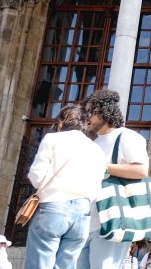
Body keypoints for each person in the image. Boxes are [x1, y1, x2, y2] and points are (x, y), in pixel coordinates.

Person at [24, 104, 107, 269]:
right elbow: (97, 186)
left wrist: (48, 187)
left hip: (54, 206)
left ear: (62, 122)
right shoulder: (96, 149)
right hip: (82, 212)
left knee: (40, 263)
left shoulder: (53, 139)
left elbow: (37, 175)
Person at [80, 89, 151, 269]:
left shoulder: (127, 137)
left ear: (106, 111)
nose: (86, 117)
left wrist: (103, 167)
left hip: (111, 220)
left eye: (91, 112)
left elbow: (141, 170)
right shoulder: (93, 142)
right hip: (85, 221)